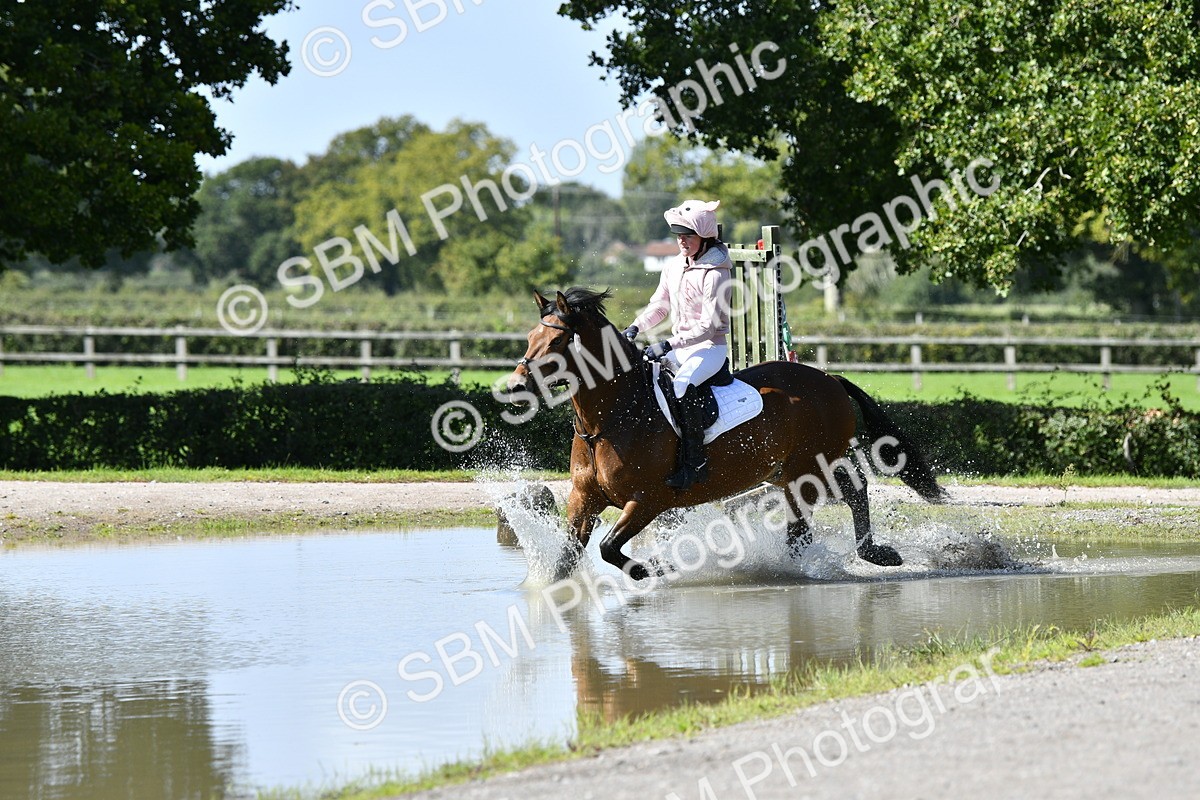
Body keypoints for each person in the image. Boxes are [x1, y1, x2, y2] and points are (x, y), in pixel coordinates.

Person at [623, 199, 732, 491]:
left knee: (682, 386)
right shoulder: (673, 266)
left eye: (688, 235)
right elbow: (659, 305)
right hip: (679, 347)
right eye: (678, 235)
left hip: (709, 348)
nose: (681, 240)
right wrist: (635, 327)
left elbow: (708, 326)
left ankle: (695, 465)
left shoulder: (717, 273)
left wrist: (666, 344)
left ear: (705, 237)